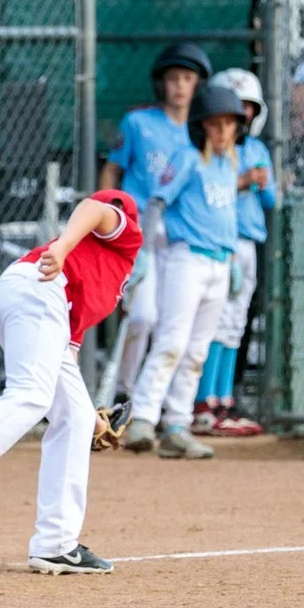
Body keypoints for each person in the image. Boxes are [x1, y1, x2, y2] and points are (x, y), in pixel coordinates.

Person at [0, 189, 141, 574]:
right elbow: (95, 208)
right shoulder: (124, 238)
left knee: (75, 418)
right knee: (31, 394)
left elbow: (65, 358)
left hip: (31, 298)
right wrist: (65, 246)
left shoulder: (103, 278)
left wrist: (96, 424)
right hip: (39, 289)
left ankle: (56, 544)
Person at [122, 85, 246, 460]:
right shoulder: (188, 158)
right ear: (200, 127)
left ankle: (178, 423)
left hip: (219, 263)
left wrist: (235, 258)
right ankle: (143, 418)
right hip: (185, 258)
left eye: (229, 124)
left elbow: (226, 217)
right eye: (214, 125)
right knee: (172, 340)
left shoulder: (228, 165)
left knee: (197, 350)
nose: (223, 132)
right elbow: (157, 202)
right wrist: (142, 252)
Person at [100, 41, 213, 402]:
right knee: (141, 317)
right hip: (137, 232)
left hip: (182, 238)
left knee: (173, 326)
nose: (179, 86)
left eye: (187, 78)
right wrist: (107, 214)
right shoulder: (139, 122)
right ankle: (124, 393)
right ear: (160, 84)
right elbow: (112, 169)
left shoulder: (202, 132)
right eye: (172, 78)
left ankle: (160, 402)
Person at [192, 70, 274, 438]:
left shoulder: (256, 150)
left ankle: (223, 399)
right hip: (219, 242)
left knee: (234, 324)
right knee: (214, 321)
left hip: (248, 244)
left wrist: (264, 181)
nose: (241, 115)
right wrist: (242, 181)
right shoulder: (214, 154)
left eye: (247, 109)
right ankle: (203, 401)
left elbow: (271, 200)